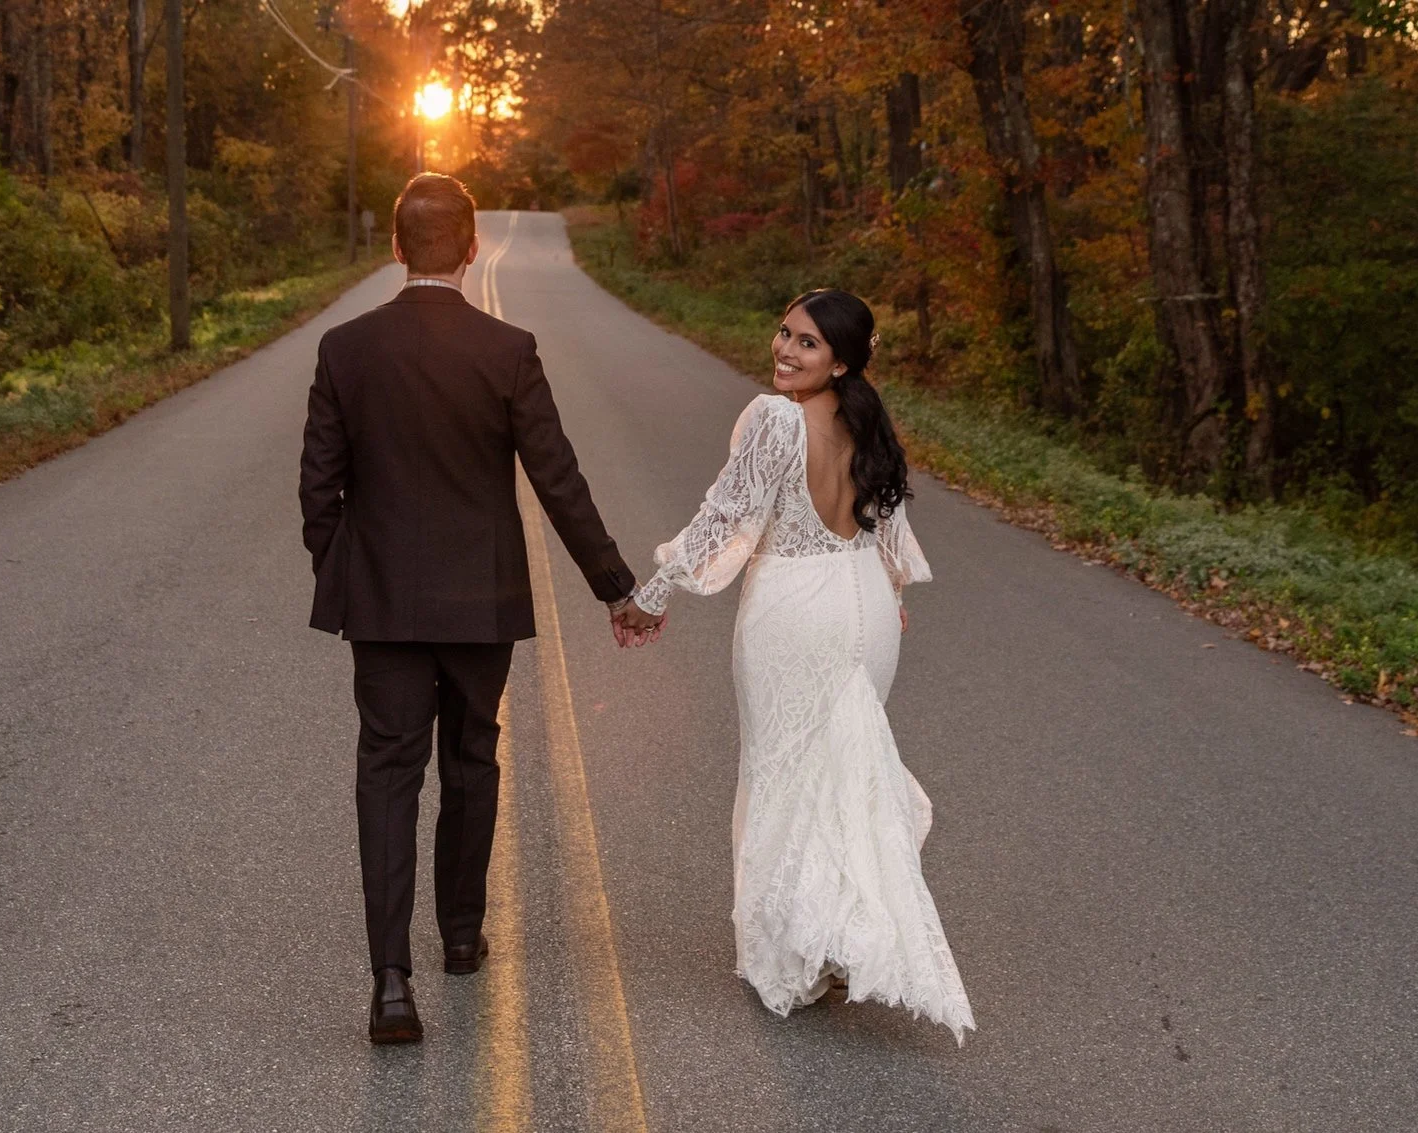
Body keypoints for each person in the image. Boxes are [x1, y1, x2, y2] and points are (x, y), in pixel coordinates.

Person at [299, 173, 660, 1044]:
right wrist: (616, 584)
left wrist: (351, 575)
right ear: (470, 249)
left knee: (386, 776)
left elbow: (320, 489)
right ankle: (460, 934)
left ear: (395, 247)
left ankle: (391, 980)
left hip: (382, 604)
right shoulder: (506, 349)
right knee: (471, 758)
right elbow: (557, 478)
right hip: (480, 600)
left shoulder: (345, 348)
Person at [613, 289, 975, 1043]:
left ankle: (792, 956)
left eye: (806, 343)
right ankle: (838, 936)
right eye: (783, 332)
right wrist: (891, 590)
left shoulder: (775, 419)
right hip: (865, 605)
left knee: (782, 771)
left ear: (840, 359)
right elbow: (887, 524)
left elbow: (724, 515)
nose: (783, 349)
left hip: (793, 611)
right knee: (842, 768)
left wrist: (652, 593)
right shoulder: (866, 417)